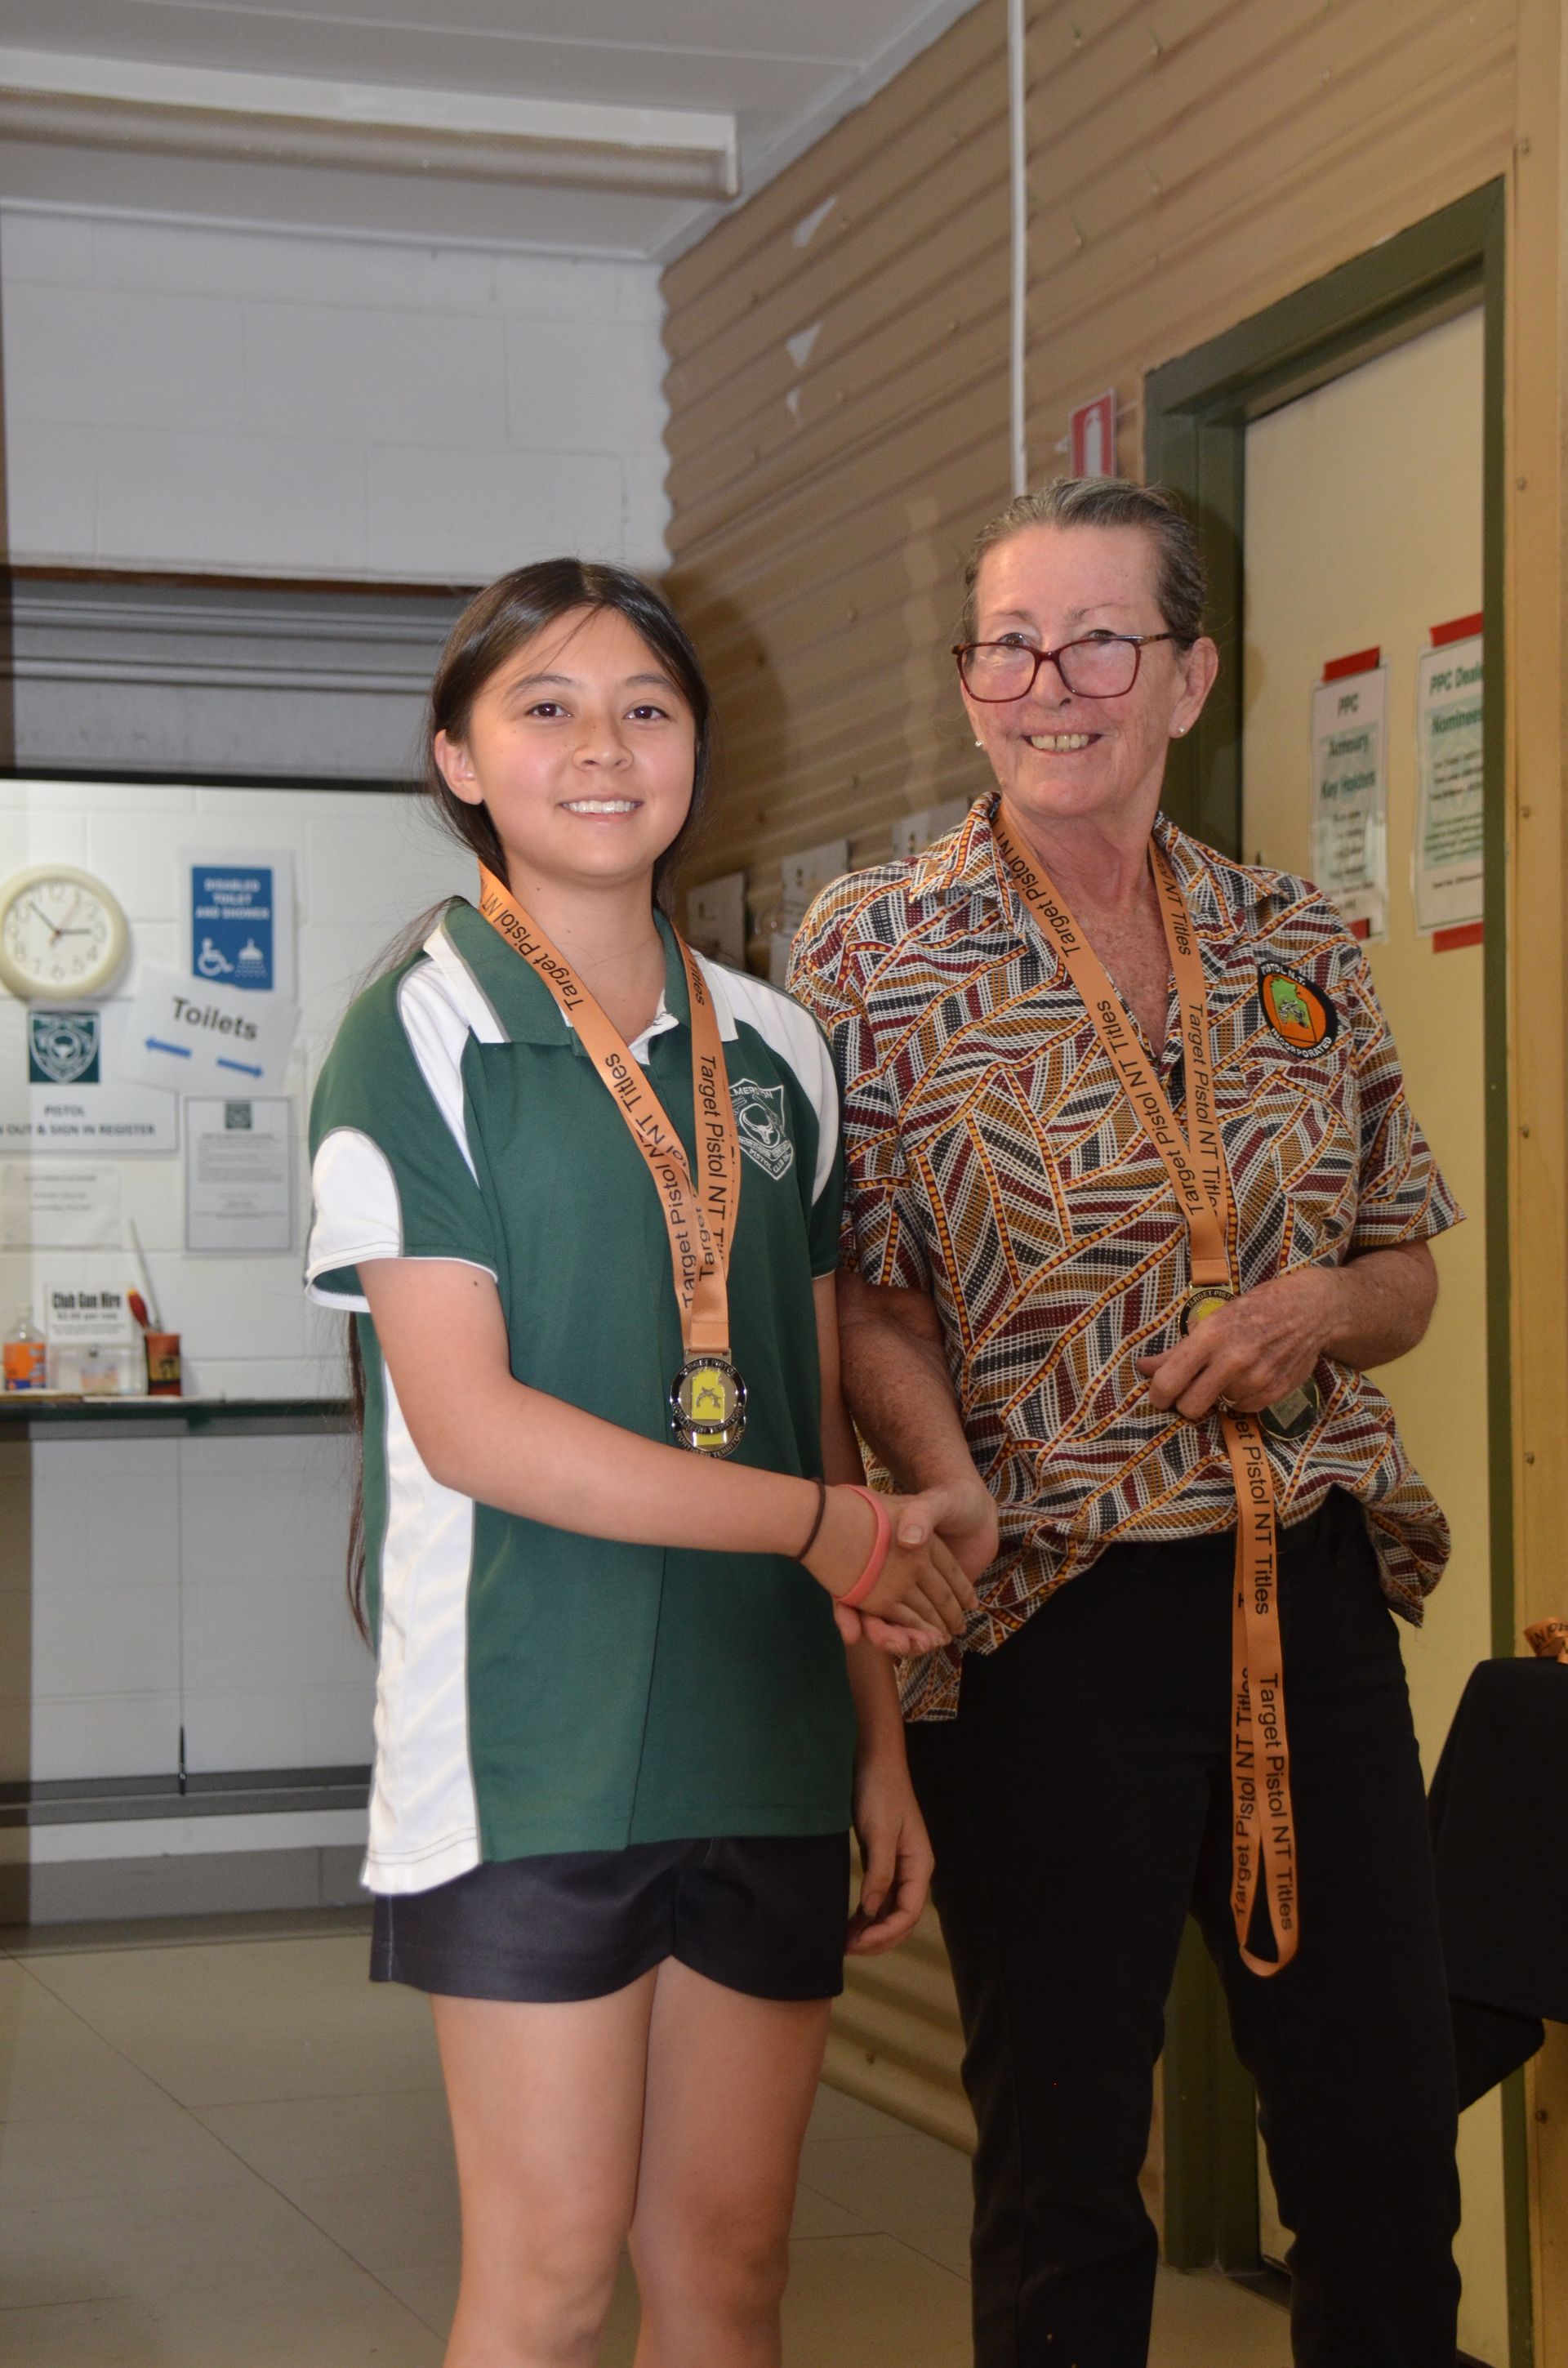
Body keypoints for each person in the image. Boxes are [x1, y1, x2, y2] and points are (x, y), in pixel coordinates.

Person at [789, 479, 1463, 2368]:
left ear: (1190, 678)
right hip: (1050, 1609)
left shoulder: (1299, 944)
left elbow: (1404, 1265)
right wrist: (942, 1483)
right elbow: (859, 1293)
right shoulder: (875, 952)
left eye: (1097, 639)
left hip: (1306, 1596)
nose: (1045, 681)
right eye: (1007, 642)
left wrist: (1320, 1308)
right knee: (1067, 2163)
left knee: (1384, 2143)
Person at [303, 558, 978, 2368]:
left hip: (760, 1728)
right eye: (546, 707)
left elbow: (802, 1389)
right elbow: (475, 1427)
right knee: (545, 2279)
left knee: (728, 2273)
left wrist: (876, 1737)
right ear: (459, 758)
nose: (604, 747)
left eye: (648, 708)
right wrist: (829, 1527)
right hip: (529, 1738)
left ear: (696, 751)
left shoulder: (777, 1047)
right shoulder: (415, 1037)